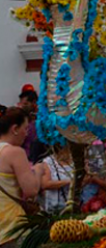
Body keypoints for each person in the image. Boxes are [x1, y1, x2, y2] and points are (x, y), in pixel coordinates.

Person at [0, 106, 40, 248]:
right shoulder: (14, 152)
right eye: (25, 128)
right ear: (15, 129)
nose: (26, 133)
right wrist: (37, 171)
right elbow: (31, 190)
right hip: (11, 227)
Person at [37, 145, 73, 214]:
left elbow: (85, 179)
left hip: (76, 204)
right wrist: (69, 182)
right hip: (55, 208)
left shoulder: (75, 161)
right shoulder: (48, 162)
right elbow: (45, 184)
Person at [18, 88, 45, 164]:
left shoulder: (43, 120)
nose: (22, 106)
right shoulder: (21, 121)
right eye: (21, 104)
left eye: (25, 104)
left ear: (34, 103)